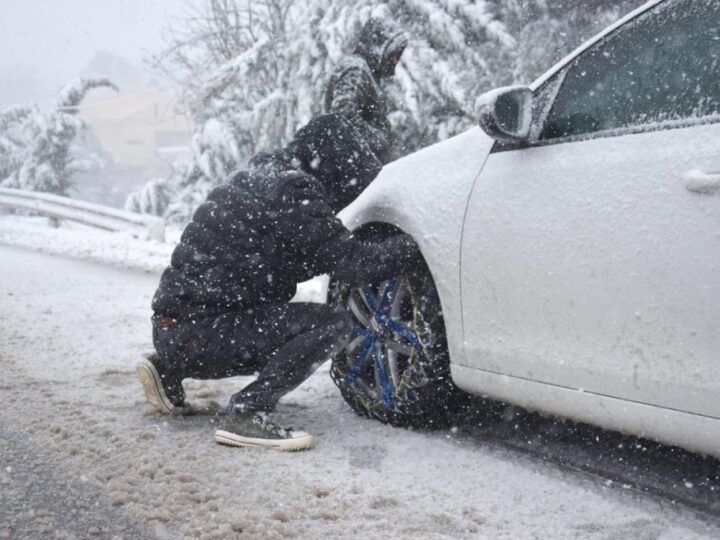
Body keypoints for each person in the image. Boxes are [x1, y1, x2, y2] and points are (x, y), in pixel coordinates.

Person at [137, 114, 420, 451]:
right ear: (334, 168)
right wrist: (418, 242)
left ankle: (167, 366)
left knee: (268, 317)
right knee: (331, 324)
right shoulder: (293, 193)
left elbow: (292, 255)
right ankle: (246, 412)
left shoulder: (262, 179)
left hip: (176, 330)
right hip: (200, 334)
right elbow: (353, 264)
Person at [325, 18, 408, 164]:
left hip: (358, 164)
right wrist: (378, 140)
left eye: (397, 56)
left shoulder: (365, 71)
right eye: (392, 55)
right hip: (354, 168)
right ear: (378, 46)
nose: (395, 61)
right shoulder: (357, 70)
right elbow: (342, 115)